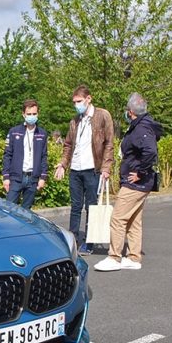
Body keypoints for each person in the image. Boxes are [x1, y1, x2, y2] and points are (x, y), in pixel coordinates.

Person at [94, 93, 163, 272]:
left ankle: (114, 257)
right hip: (141, 182)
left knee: (117, 218)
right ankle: (133, 257)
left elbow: (150, 152)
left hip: (136, 183)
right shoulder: (142, 126)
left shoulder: (141, 129)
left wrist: (140, 172)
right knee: (133, 220)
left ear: (130, 111)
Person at [54, 85, 115, 255]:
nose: (76, 105)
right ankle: (73, 240)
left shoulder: (103, 116)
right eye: (74, 102)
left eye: (79, 101)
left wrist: (106, 167)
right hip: (76, 169)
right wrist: (63, 164)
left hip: (92, 169)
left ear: (89, 99)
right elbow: (67, 145)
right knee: (75, 206)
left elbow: (109, 143)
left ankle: (89, 241)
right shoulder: (75, 121)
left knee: (91, 207)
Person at [2, 99, 49, 209]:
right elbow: (7, 155)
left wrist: (43, 177)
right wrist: (6, 177)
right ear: (23, 114)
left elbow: (44, 156)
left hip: (32, 179)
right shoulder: (14, 132)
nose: (31, 116)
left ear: (38, 114)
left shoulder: (42, 134)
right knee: (9, 209)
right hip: (16, 178)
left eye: (34, 114)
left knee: (26, 213)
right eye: (29, 114)